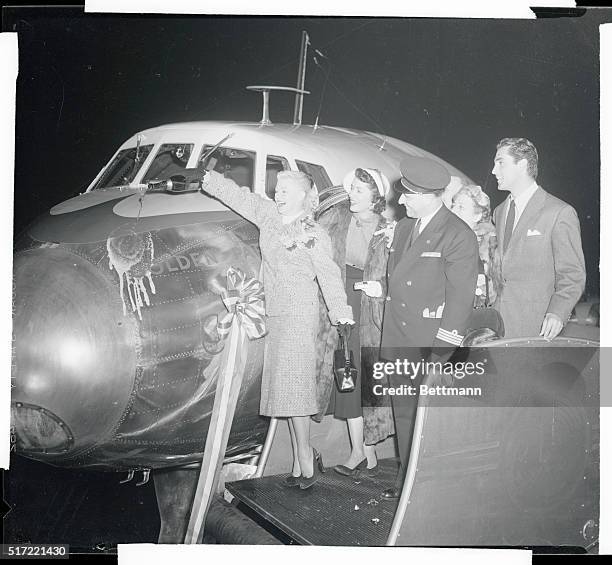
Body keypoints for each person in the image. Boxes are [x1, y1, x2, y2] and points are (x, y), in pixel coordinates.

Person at [200, 169, 354, 489]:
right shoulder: (268, 215)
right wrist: (209, 178)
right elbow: (240, 197)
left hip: (300, 314)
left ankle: (305, 456)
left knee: (295, 390)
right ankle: (303, 454)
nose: (278, 195)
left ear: (302, 195)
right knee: (284, 390)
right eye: (277, 189)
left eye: (285, 190)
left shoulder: (315, 233)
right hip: (275, 314)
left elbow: (329, 277)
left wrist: (341, 313)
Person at [380, 155, 479, 500]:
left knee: (433, 420)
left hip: (429, 342)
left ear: (427, 195)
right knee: (404, 414)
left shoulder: (457, 235)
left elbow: (460, 301)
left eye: (407, 194)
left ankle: (433, 486)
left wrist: (441, 353)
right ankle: (407, 476)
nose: (400, 200)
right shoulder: (406, 227)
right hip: (398, 337)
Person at [317, 168, 395, 477]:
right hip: (341, 299)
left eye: (361, 190)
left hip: (369, 308)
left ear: (375, 197)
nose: (353, 194)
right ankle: (359, 453)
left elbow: (402, 275)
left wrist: (382, 289)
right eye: (353, 188)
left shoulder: (389, 229)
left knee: (365, 380)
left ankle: (367, 453)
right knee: (347, 376)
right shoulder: (338, 219)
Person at [491, 138, 586, 339]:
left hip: (537, 328)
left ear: (523, 164)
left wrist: (557, 312)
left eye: (500, 163)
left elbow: (572, 274)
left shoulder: (559, 212)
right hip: (499, 326)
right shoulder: (499, 212)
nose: (494, 171)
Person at [450, 184, 502, 308]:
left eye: (461, 207)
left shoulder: (490, 246)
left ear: (477, 216)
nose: (453, 211)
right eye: (453, 205)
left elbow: (492, 292)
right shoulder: (448, 239)